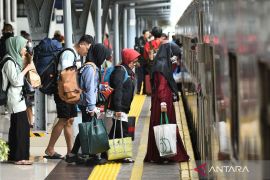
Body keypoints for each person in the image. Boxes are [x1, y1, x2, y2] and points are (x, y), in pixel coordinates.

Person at [44, 35, 93, 159]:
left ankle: (71, 151)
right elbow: (66, 75)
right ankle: (50, 149)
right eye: (87, 49)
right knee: (63, 119)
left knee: (69, 120)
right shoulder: (68, 54)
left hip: (69, 93)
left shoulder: (75, 55)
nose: (86, 52)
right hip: (64, 93)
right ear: (81, 44)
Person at [144, 40, 189, 163]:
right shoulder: (163, 66)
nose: (174, 58)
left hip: (159, 101)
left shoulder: (160, 63)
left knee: (160, 127)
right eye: (174, 55)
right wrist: (163, 102)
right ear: (169, 53)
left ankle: (157, 154)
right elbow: (162, 86)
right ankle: (166, 154)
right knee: (165, 127)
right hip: (163, 102)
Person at [66, 43, 111, 165]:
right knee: (89, 129)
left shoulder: (89, 67)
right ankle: (91, 156)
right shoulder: (91, 69)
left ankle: (74, 154)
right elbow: (90, 88)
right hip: (87, 104)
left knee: (86, 128)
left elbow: (90, 86)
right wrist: (91, 107)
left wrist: (102, 87)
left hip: (86, 102)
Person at [2, 36, 35, 165]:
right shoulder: (9, 61)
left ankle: (14, 155)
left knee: (16, 127)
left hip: (17, 98)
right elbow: (15, 80)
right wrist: (27, 68)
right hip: (14, 99)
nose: (24, 49)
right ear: (15, 46)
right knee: (22, 127)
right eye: (22, 47)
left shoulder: (13, 59)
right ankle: (20, 157)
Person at [108, 48, 140, 163]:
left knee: (116, 130)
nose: (134, 64)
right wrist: (118, 108)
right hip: (119, 107)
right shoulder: (120, 71)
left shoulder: (127, 71)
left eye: (135, 62)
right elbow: (118, 90)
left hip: (123, 107)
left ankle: (106, 153)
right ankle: (123, 155)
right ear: (127, 60)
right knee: (123, 130)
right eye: (132, 61)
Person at [134, 30, 150, 95]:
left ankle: (145, 91)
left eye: (148, 34)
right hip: (140, 61)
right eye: (147, 34)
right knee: (140, 76)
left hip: (146, 62)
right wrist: (137, 61)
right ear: (144, 34)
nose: (148, 35)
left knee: (145, 76)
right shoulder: (140, 41)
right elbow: (137, 51)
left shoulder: (147, 41)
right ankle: (138, 90)